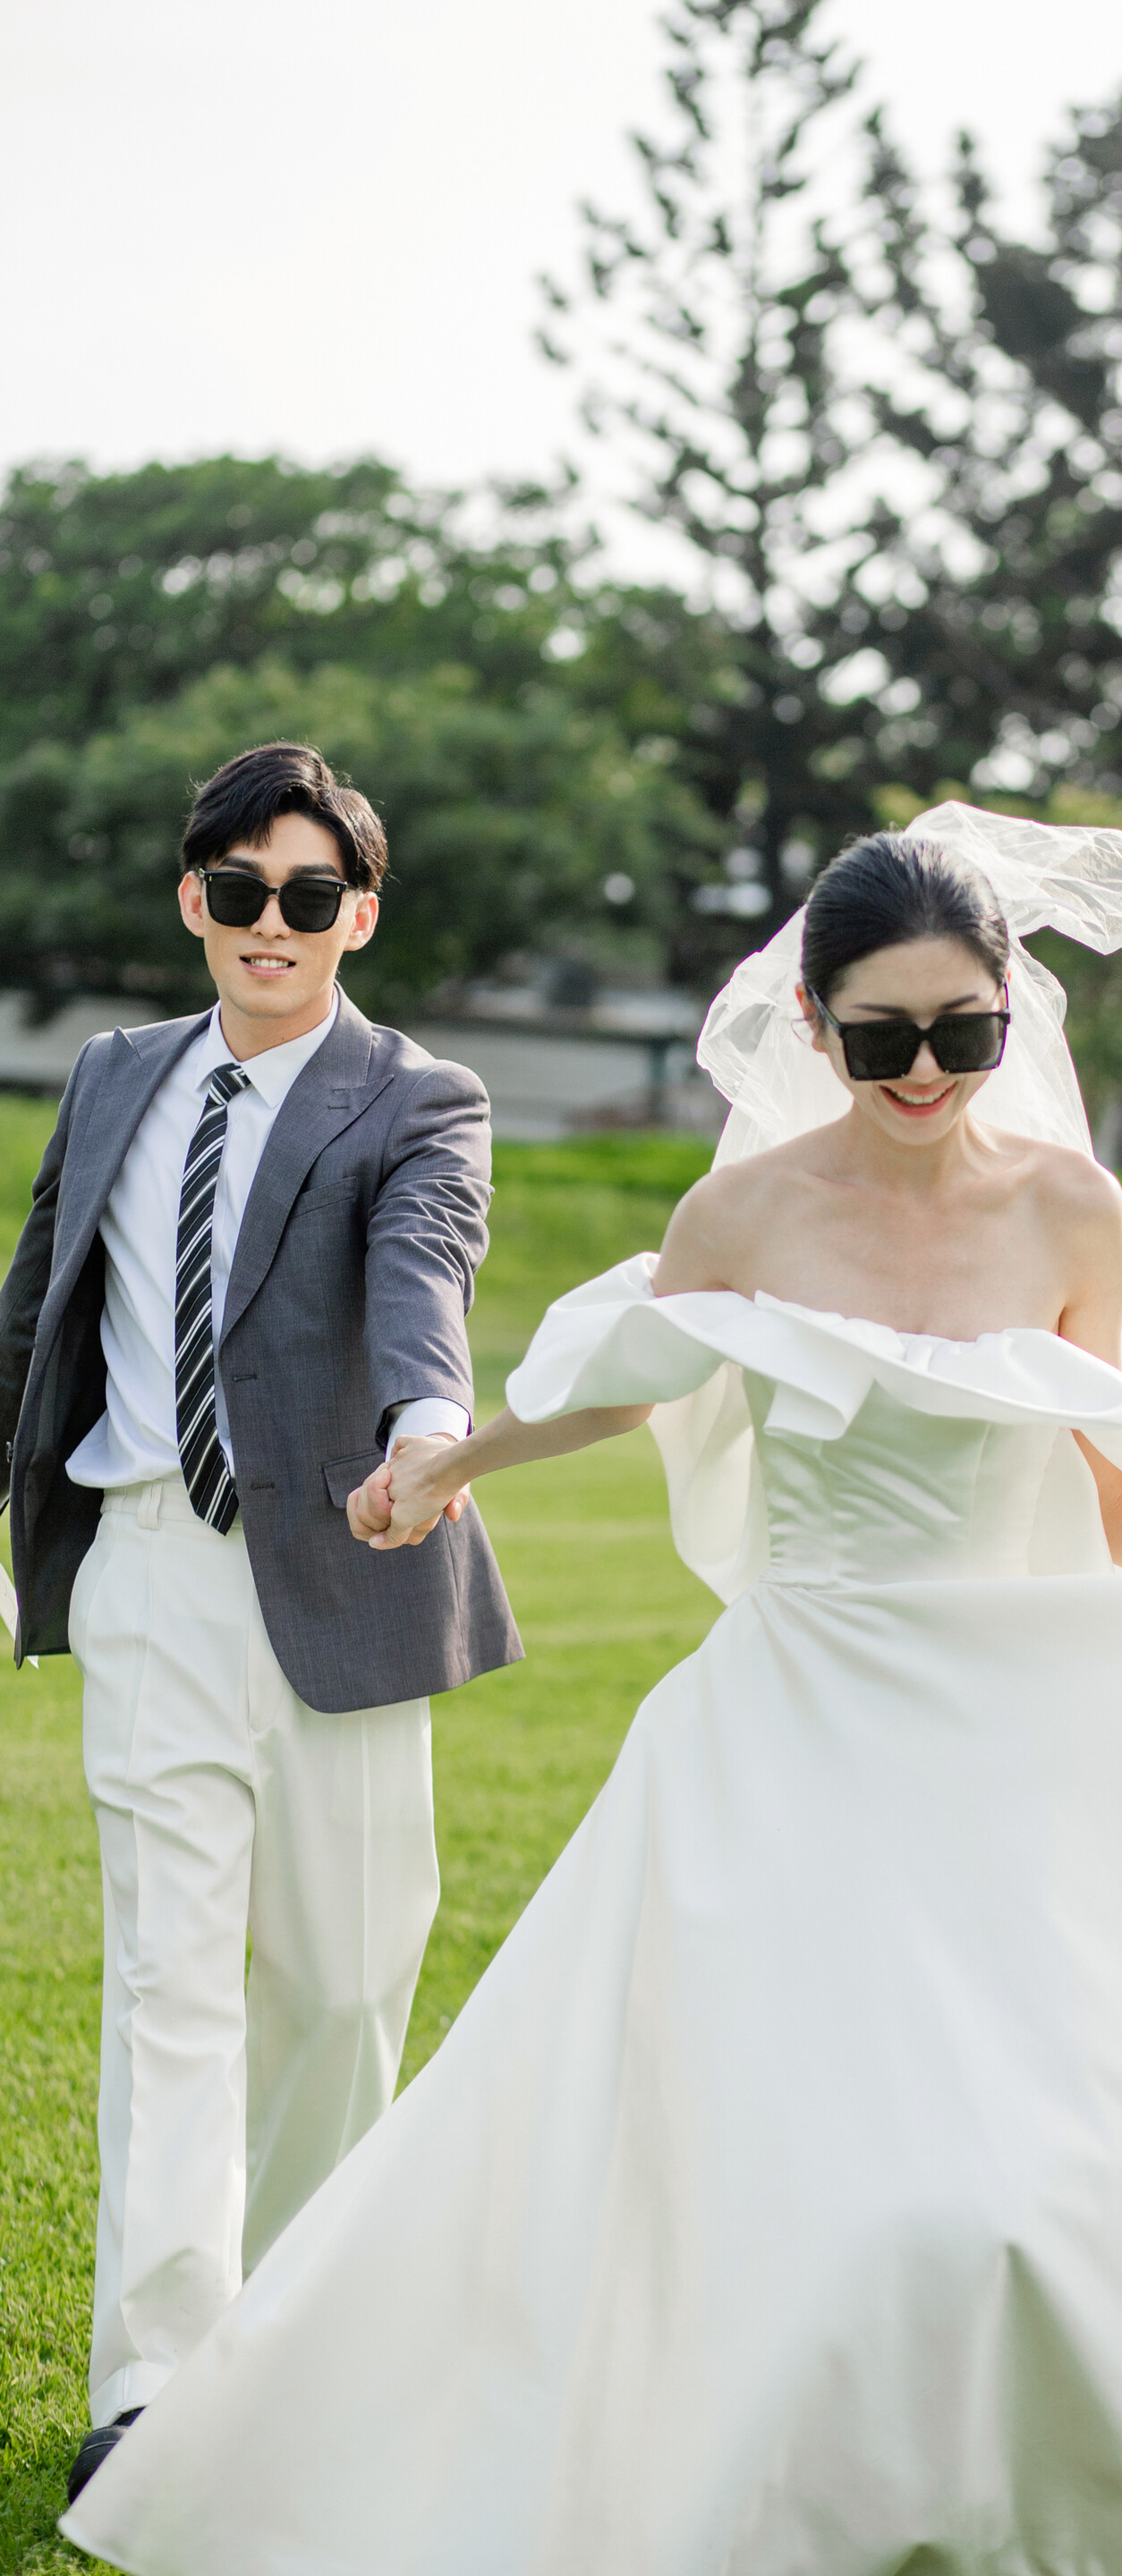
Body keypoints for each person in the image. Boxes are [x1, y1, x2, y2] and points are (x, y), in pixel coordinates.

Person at [64, 813, 1122, 2576]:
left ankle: (1020, 2497)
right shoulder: (745, 1211)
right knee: (784, 2161)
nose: (923, 1072)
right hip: (792, 1735)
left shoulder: (1071, 1208)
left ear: (1011, 1013)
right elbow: (625, 1386)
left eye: (963, 1032)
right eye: (881, 1039)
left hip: (1015, 1741)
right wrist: (447, 1465)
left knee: (1044, 2170)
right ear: (815, 1021)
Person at [0, 741, 521, 2509]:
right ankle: (155, 2389)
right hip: (148, 1564)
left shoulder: (421, 1097)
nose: (270, 922)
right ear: (193, 901)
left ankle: (301, 2355)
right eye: (240, 891)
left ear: (358, 914)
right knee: (168, 1982)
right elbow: (34, 1316)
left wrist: (426, 1437)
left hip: (351, 1573)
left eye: (309, 894)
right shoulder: (111, 1076)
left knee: (344, 1985)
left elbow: (425, 1276)